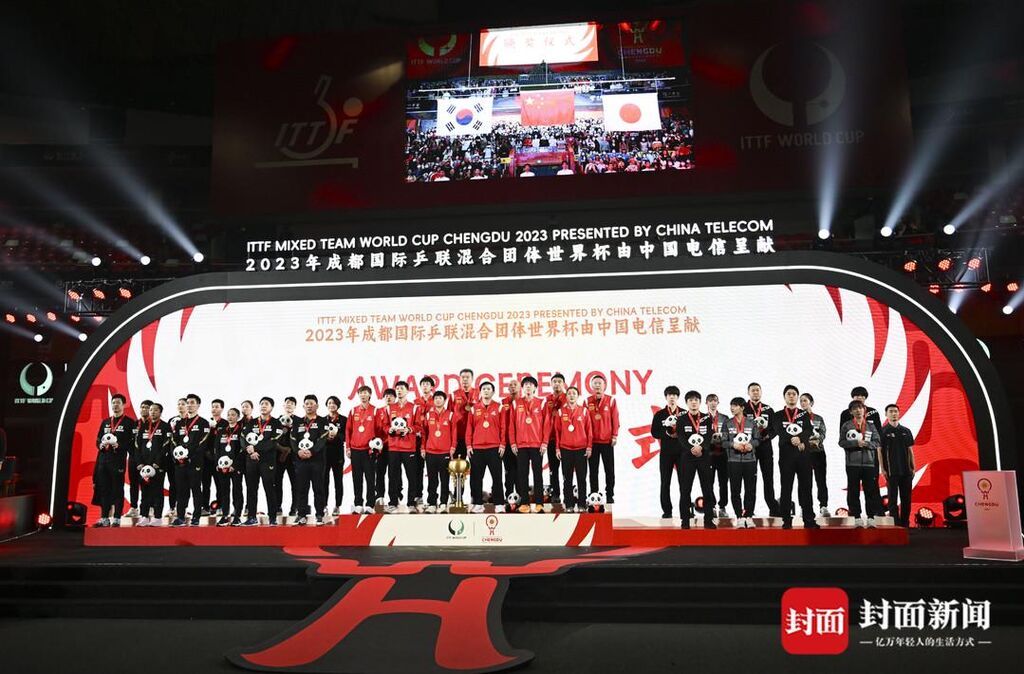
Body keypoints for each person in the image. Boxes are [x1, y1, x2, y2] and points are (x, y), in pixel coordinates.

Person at [773, 385, 819, 530]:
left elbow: (808, 429)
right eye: (789, 394)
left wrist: (800, 439)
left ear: (797, 397)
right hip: (786, 456)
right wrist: (792, 439)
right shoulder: (778, 414)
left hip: (803, 456)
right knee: (786, 488)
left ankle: (809, 519)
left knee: (806, 488)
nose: (791, 396)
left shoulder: (803, 414)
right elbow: (778, 430)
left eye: (794, 394)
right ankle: (786, 520)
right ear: (784, 397)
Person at [92, 393, 136, 527]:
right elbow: (98, 439)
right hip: (103, 460)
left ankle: (117, 518)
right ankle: (104, 517)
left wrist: (119, 445)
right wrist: (100, 445)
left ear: (124, 405)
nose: (115, 405)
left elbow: (133, 443)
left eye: (118, 403)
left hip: (118, 461)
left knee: (117, 489)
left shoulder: (130, 422)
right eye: (113, 403)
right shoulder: (105, 422)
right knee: (103, 488)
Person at [675, 390, 716, 529]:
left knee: (707, 489)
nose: (693, 402)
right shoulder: (681, 419)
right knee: (685, 489)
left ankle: (709, 520)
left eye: (696, 400)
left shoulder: (706, 418)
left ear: (700, 402)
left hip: (703, 457)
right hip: (687, 457)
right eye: (691, 400)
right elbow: (681, 437)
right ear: (686, 403)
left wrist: (701, 448)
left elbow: (709, 436)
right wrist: (691, 449)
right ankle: (685, 520)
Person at [839, 400, 883, 527]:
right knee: (853, 491)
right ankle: (856, 517)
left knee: (870, 491)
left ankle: (871, 517)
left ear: (864, 410)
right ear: (851, 412)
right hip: (852, 464)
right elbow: (841, 442)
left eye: (860, 408)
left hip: (869, 464)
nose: (858, 410)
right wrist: (856, 443)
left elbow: (877, 442)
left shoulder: (870, 426)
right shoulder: (847, 425)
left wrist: (867, 444)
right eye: (855, 408)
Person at [170, 393, 212, 527]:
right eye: (187, 402)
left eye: (192, 402)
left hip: (195, 462)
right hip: (180, 463)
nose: (189, 405)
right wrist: (177, 456)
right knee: (181, 490)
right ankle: (180, 517)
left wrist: (188, 455)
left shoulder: (203, 423)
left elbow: (203, 443)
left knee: (196, 489)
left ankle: (196, 517)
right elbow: (173, 441)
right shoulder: (179, 423)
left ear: (198, 405)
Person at [241, 397, 283, 526]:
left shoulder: (276, 423)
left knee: (269, 488)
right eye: (262, 404)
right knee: (251, 489)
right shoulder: (251, 422)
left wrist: (256, 448)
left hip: (268, 460)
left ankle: (272, 518)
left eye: (266, 404)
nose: (263, 406)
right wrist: (249, 450)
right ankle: (251, 517)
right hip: (252, 460)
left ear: (271, 407)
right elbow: (243, 438)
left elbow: (273, 441)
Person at [509, 376, 548, 513]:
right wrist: (513, 442)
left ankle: (539, 503)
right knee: (522, 474)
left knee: (538, 474)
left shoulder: (541, 403)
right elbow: (511, 425)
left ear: (535, 388)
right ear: (522, 388)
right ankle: (524, 503)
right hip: (521, 445)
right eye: (525, 385)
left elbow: (547, 424)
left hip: (537, 445)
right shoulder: (516, 403)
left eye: (531, 384)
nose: (528, 387)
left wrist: (544, 442)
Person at [466, 381, 504, 513]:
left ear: (493, 392)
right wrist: (469, 445)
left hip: (494, 447)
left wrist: (503, 444)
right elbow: (469, 428)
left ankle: (499, 503)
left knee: (497, 477)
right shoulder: (473, 408)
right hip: (477, 448)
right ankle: (478, 503)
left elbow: (503, 428)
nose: (486, 391)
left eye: (488, 389)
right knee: (476, 478)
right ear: (480, 392)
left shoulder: (499, 407)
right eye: (483, 389)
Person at [291, 395, 329, 526]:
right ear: (303, 406)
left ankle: (320, 514)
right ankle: (301, 514)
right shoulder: (297, 422)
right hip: (301, 460)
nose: (309, 406)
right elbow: (293, 439)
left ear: (317, 406)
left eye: (311, 403)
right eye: (306, 403)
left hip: (317, 460)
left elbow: (322, 439)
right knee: (302, 488)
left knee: (318, 488)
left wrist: (311, 452)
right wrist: (298, 451)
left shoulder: (323, 421)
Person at [553, 386, 591, 512]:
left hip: (581, 449)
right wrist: (557, 448)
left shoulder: (584, 411)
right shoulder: (560, 412)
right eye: (569, 393)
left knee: (581, 478)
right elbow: (557, 432)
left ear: (578, 396)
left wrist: (589, 447)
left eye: (574, 393)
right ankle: (568, 504)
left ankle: (582, 504)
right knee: (567, 479)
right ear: (566, 396)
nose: (571, 395)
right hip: (565, 449)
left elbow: (589, 430)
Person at [744, 383, 780, 517]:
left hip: (765, 448)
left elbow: (775, 428)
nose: (755, 392)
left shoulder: (768, 409)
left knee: (768, 478)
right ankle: (748, 510)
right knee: (750, 480)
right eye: (753, 390)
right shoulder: (743, 408)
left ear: (761, 392)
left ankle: (773, 508)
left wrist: (767, 436)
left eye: (757, 390)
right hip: (749, 449)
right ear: (748, 393)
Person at [723, 396, 758, 528]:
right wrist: (733, 445)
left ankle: (749, 516)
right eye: (731, 405)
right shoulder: (727, 423)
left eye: (735, 405)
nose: (732, 408)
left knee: (750, 490)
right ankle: (739, 517)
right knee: (735, 490)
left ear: (742, 408)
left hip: (750, 461)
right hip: (733, 461)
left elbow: (757, 439)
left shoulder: (751, 422)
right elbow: (723, 442)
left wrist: (751, 445)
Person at [134, 402, 170, 526]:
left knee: (157, 491)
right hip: (144, 466)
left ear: (160, 412)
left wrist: (157, 462)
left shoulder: (165, 426)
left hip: (158, 465)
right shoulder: (144, 426)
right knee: (144, 491)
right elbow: (137, 444)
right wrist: (139, 462)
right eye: (151, 410)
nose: (152, 412)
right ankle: (144, 516)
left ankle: (158, 517)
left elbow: (166, 445)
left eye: (155, 410)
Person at [650, 385, 684, 519]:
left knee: (684, 482)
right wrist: (667, 433)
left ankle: (685, 509)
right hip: (666, 452)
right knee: (665, 482)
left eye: (674, 395)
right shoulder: (660, 414)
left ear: (678, 397)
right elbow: (654, 432)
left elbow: (690, 431)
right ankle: (667, 510)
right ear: (666, 397)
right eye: (670, 395)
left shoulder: (684, 413)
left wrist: (679, 434)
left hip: (682, 452)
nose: (672, 398)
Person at [585, 374, 619, 505]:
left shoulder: (611, 400)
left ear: (604, 386)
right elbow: (585, 423)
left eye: (600, 383)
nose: (597, 385)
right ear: (591, 386)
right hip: (592, 443)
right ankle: (594, 494)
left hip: (607, 442)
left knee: (609, 470)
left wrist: (614, 435)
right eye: (595, 383)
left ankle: (610, 494)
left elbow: (615, 419)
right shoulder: (587, 401)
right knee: (593, 471)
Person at [880, 403, 915, 527]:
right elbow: (879, 451)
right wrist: (882, 469)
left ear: (899, 413)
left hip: (906, 471)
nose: (893, 413)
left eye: (895, 411)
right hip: (891, 471)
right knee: (892, 499)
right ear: (886, 414)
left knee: (906, 499)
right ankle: (895, 524)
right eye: (891, 411)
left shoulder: (906, 431)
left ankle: (905, 524)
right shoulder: (882, 431)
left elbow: (910, 450)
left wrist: (913, 467)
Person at [346, 385, 379, 514]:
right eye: (361, 393)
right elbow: (348, 430)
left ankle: (370, 504)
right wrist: (348, 448)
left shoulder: (375, 411)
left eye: (365, 393)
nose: (363, 395)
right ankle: (358, 504)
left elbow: (379, 430)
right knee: (357, 478)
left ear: (369, 395)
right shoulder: (353, 411)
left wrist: (377, 448)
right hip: (355, 450)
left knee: (370, 478)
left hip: (369, 451)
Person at [385, 381, 417, 513]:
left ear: (407, 391)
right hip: (393, 447)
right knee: (393, 476)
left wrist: (409, 429)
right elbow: (385, 425)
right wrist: (389, 429)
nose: (399, 391)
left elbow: (419, 426)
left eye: (401, 388)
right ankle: (393, 502)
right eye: (397, 388)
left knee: (412, 476)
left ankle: (411, 503)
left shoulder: (414, 407)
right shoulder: (389, 408)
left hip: (409, 447)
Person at [422, 391, 456, 513]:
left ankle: (443, 503)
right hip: (430, 452)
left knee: (444, 479)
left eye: (440, 398)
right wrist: (423, 448)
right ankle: (432, 503)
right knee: (432, 480)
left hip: (445, 452)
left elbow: (454, 432)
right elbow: (424, 433)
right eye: (436, 398)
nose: (437, 400)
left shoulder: (450, 415)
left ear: (445, 400)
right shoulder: (428, 415)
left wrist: (453, 447)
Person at [213, 407, 246, 526]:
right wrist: (218, 463)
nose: (230, 417)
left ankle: (237, 516)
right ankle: (225, 516)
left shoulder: (241, 430)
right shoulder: (222, 431)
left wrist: (235, 465)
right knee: (224, 491)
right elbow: (216, 448)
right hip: (222, 466)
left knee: (237, 491)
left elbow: (243, 449)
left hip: (235, 467)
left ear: (238, 417)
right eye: (228, 415)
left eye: (233, 415)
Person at [800, 393, 830, 516]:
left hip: (818, 452)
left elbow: (823, 432)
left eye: (805, 400)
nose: (802, 403)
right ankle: (804, 507)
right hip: (804, 453)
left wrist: (818, 440)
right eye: (801, 401)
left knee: (821, 480)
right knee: (804, 481)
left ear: (811, 403)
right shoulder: (798, 418)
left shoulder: (818, 418)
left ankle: (823, 506)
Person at [412, 376, 437, 506]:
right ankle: (418, 495)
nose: (425, 386)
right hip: (417, 438)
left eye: (428, 384)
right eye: (423, 384)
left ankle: (433, 498)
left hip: (433, 438)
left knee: (433, 470)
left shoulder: (437, 400)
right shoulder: (415, 402)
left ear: (432, 387)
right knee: (417, 468)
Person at [275, 396, 301, 518]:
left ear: (295, 406)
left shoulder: (299, 421)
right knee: (277, 482)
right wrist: (281, 449)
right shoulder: (276, 421)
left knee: (295, 483)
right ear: (284, 405)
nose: (289, 405)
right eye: (287, 403)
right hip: (279, 456)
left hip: (294, 457)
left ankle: (295, 507)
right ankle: (277, 506)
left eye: (292, 403)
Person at [705, 393, 730, 518]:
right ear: (706, 403)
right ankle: (712, 506)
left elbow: (729, 433)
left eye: (715, 400)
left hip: (723, 454)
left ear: (718, 402)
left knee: (723, 482)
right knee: (709, 482)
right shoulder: (703, 418)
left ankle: (723, 506)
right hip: (709, 454)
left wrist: (722, 437)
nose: (713, 403)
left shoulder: (725, 418)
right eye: (710, 401)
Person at [544, 373, 568, 504]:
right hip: (551, 439)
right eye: (554, 381)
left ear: (563, 384)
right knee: (553, 469)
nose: (557, 384)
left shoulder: (568, 397)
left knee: (566, 470)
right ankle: (555, 494)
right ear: (551, 384)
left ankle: (568, 494)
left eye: (559, 381)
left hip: (565, 439)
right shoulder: (547, 400)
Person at [126, 399, 152, 518]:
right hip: (133, 458)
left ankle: (149, 507)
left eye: (146, 407)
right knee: (134, 484)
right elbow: (129, 441)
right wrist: (135, 457)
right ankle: (133, 507)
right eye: (142, 407)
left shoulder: (154, 425)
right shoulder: (134, 424)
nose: (144, 409)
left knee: (147, 484)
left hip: (147, 460)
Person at [323, 396, 347, 516]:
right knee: (324, 481)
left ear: (338, 405)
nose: (331, 405)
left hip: (338, 454)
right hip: (325, 454)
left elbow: (346, 436)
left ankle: (337, 505)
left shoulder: (343, 419)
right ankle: (324, 506)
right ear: (327, 405)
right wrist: (326, 437)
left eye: (334, 403)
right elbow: (318, 436)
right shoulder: (322, 420)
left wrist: (336, 435)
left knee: (338, 481)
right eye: (329, 403)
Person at [204, 398, 228, 516]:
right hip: (206, 459)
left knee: (220, 484)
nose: (214, 409)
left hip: (219, 459)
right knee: (205, 484)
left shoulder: (225, 423)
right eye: (213, 406)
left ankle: (221, 506)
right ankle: (204, 507)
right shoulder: (205, 423)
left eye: (217, 406)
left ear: (222, 409)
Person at [374, 388, 397, 507]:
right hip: (381, 447)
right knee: (380, 472)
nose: (388, 398)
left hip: (395, 447)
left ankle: (395, 497)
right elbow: (375, 428)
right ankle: (379, 496)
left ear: (395, 398)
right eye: (386, 396)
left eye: (391, 396)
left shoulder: (399, 410)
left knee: (394, 474)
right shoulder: (379, 411)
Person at [500, 380, 521, 499]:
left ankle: (521, 497)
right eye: (510, 385)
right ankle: (508, 497)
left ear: (520, 388)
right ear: (508, 389)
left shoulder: (523, 402)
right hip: (507, 442)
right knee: (508, 470)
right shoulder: (503, 403)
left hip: (520, 442)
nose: (513, 387)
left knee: (520, 470)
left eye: (515, 385)